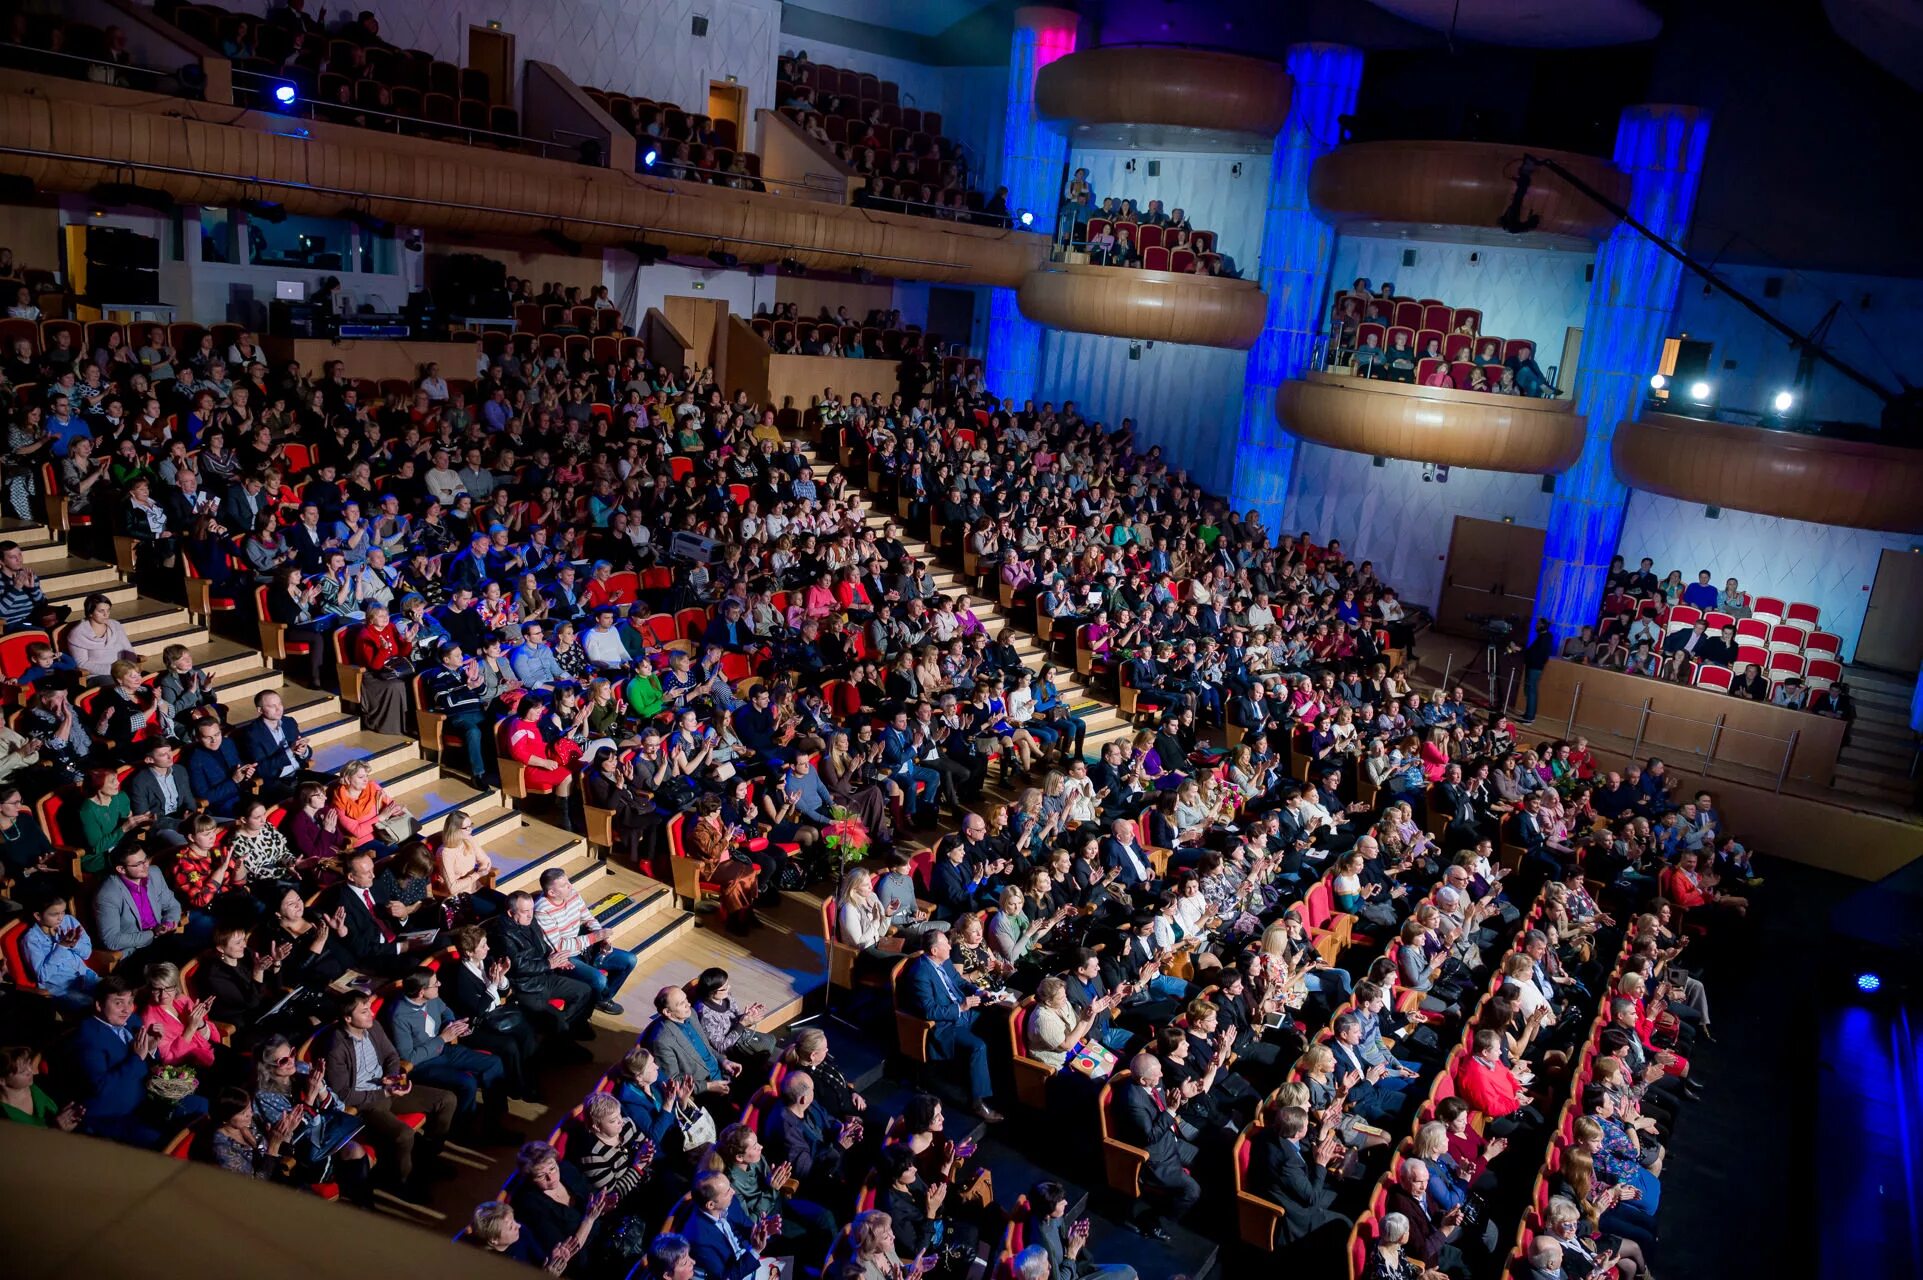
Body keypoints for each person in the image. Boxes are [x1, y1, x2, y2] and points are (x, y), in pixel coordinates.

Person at [314, 989, 457, 1197]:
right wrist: (385, 1093)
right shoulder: (336, 1047)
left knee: (447, 1100)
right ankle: (402, 1182)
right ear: (348, 1018)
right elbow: (343, 1094)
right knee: (404, 1135)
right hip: (367, 1102)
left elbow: (391, 1055)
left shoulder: (373, 1027)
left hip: (386, 1088)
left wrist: (393, 1078)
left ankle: (429, 1159)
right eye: (364, 1012)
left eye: (369, 1009)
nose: (371, 1014)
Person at [898, 929, 1003, 1123]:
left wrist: (979, 992)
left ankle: (994, 1079)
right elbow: (929, 1011)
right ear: (934, 950)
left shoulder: (944, 962)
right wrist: (961, 1007)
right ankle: (977, 1103)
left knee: (997, 1019)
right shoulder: (920, 973)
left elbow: (959, 983)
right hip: (945, 1025)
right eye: (945, 943)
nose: (950, 946)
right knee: (978, 1046)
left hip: (964, 1011)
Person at [1109, 1052, 1199, 1240]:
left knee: (1205, 1159)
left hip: (1171, 1141)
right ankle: (1155, 1220)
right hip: (1155, 1157)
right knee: (1192, 1190)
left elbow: (1165, 1106)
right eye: (1157, 1075)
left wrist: (1182, 1097)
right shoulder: (1133, 1101)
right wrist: (1172, 1110)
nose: (1161, 1077)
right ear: (1142, 1080)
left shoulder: (1155, 1082)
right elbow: (1149, 1137)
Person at [534, 865, 635, 1014]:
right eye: (564, 885)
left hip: (586, 947)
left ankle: (601, 998)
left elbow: (588, 918)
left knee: (630, 960)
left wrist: (602, 937)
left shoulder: (572, 893)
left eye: (568, 882)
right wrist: (594, 937)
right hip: (566, 957)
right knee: (599, 980)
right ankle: (598, 999)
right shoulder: (542, 910)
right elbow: (560, 946)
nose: (570, 886)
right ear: (551, 892)